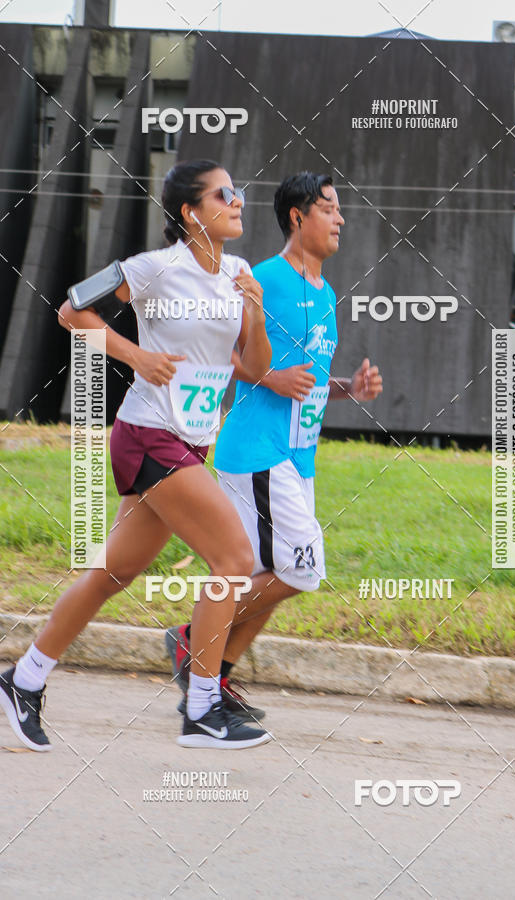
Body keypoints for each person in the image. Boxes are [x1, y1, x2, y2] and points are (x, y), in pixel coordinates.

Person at [0, 159, 274, 751]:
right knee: (233, 558)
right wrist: (134, 357)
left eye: (240, 191)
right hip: (150, 434)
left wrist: (252, 306)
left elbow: (254, 369)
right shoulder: (154, 269)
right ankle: (201, 709)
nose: (239, 200)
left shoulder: (240, 271)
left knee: (112, 574)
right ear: (190, 212)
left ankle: (23, 680)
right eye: (225, 193)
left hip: (192, 440)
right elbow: (72, 309)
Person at [165, 171, 383, 717]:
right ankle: (195, 641)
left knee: (275, 569)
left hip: (297, 458)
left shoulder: (325, 293)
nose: (340, 219)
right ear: (297, 216)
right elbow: (218, 351)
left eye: (339, 210)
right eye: (329, 209)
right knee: (301, 568)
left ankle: (214, 676)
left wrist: (347, 390)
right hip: (257, 451)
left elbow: (303, 381)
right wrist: (268, 379)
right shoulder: (260, 277)